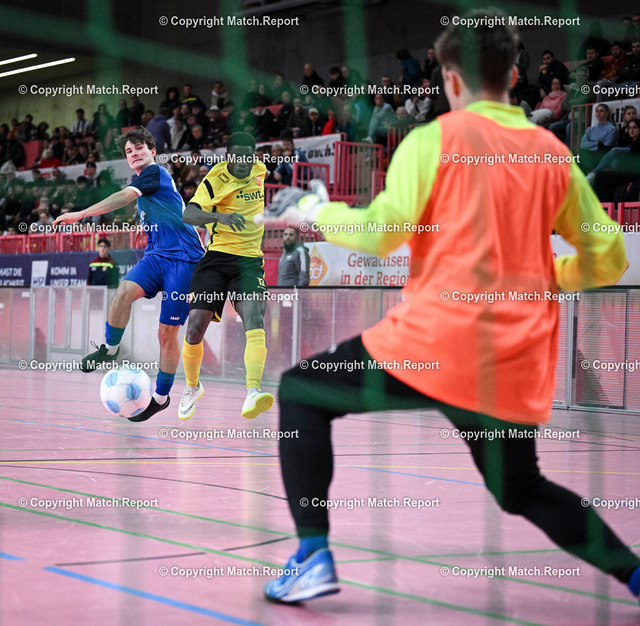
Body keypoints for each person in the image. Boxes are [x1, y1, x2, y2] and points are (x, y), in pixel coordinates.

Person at [262, 9, 640, 604]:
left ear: (451, 79)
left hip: (433, 347)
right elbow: (609, 258)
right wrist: (548, 276)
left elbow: (381, 234)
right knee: (521, 490)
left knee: (302, 393)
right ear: (512, 76)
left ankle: (312, 555)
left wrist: (311, 210)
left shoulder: (432, 141)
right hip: (512, 363)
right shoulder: (550, 154)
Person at [52, 127, 204, 422]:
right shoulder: (145, 184)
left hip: (184, 259)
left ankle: (160, 398)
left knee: (166, 334)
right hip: (156, 255)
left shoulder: (155, 173)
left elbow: (123, 196)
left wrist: (80, 214)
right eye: (128, 151)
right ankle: (110, 349)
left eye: (139, 148)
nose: (134, 154)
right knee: (122, 293)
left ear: (152, 151)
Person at [178, 131, 273, 421]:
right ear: (228, 156)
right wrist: (220, 217)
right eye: (237, 156)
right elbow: (188, 215)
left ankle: (253, 392)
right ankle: (192, 387)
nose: (244, 162)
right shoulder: (215, 181)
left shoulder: (260, 170)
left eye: (249, 156)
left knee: (254, 318)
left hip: (249, 262)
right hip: (217, 258)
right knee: (195, 328)